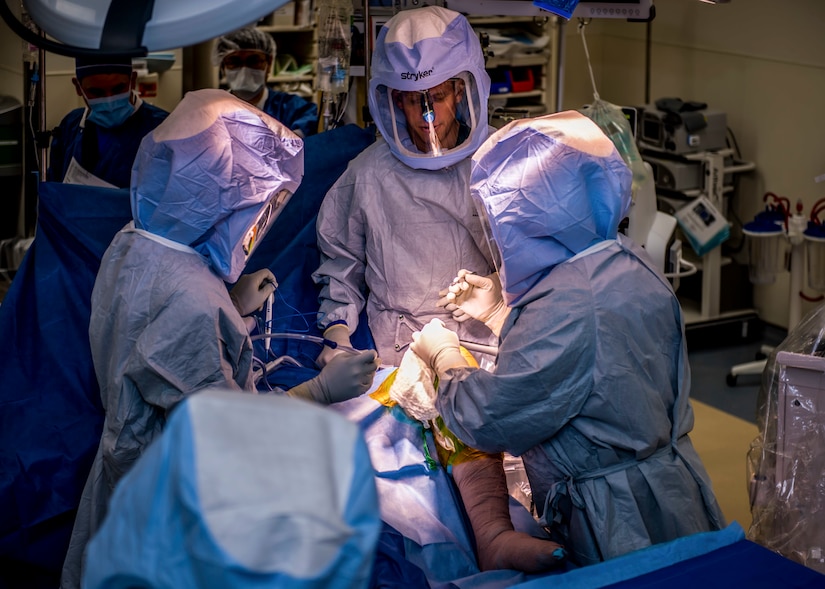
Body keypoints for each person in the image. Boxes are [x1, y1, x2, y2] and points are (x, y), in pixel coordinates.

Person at [59, 88, 379, 589]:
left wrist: (227, 303)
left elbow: (151, 344)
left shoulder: (133, 243)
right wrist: (320, 392)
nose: (254, 226)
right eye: (253, 209)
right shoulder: (192, 302)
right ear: (218, 201)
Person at [411, 111, 727, 567]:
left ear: (529, 216)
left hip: (617, 518)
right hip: (669, 493)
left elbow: (489, 419)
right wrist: (502, 315)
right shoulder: (624, 262)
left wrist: (445, 358)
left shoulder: (569, 306)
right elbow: (597, 369)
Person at [313, 6, 563, 574]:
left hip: (485, 352)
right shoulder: (369, 176)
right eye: (409, 100)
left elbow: (539, 264)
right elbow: (340, 264)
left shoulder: (498, 165)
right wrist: (335, 331)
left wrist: (497, 299)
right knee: (369, 488)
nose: (426, 115)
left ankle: (496, 533)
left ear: (466, 89)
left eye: (440, 97)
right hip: (394, 357)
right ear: (388, 99)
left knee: (506, 459)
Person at [47, 55, 169, 188]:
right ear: (78, 87)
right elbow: (55, 192)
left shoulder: (163, 127)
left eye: (118, 89)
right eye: (96, 92)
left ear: (132, 80)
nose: (109, 101)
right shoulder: (70, 126)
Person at [213, 27, 319, 138]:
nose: (244, 70)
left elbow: (312, 119)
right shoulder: (214, 111)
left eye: (253, 60)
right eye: (234, 61)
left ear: (269, 64)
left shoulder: (288, 107)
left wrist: (292, 138)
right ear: (223, 67)